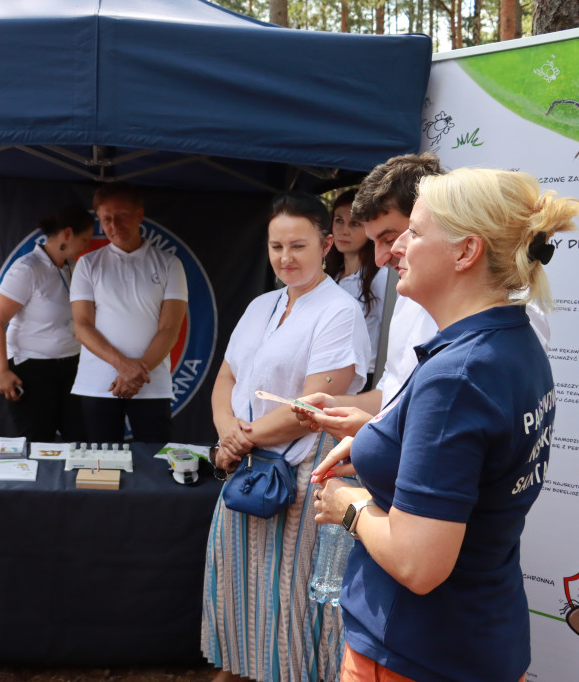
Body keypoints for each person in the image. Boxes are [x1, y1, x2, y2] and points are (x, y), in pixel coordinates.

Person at [312, 168, 575, 682]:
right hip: (478, 637)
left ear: (464, 252)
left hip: (416, 653)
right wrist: (378, 440)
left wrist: (351, 506)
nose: (394, 249)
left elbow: (419, 565)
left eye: (414, 232)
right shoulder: (511, 341)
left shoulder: (459, 373)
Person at [202, 192, 370, 682]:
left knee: (290, 598)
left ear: (324, 244)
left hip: (302, 477)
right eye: (276, 246)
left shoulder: (339, 311)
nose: (285, 257)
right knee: (239, 584)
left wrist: (241, 439)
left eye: (298, 245)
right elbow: (225, 378)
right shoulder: (261, 304)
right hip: (248, 468)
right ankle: (241, 669)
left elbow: (311, 407)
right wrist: (229, 435)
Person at [296, 153, 445, 440]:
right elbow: (392, 391)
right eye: (375, 241)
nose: (380, 259)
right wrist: (333, 404)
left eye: (391, 239)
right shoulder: (407, 295)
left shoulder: (495, 317)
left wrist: (375, 441)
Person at [70, 183, 187, 442]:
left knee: (155, 466)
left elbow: (170, 329)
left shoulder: (170, 264)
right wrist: (124, 367)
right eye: (106, 219)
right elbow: (82, 326)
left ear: (139, 215)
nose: (114, 225)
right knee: (99, 468)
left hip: (151, 386)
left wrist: (135, 374)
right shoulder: (88, 264)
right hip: (97, 385)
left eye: (121, 215)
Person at [0, 204, 94, 441]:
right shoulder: (28, 268)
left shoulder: (73, 268)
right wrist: (1, 371)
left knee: (79, 441)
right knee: (37, 444)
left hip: (72, 368)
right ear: (67, 234)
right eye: (84, 239)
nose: (87, 246)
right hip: (32, 371)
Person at [325, 188, 388, 385]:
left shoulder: (381, 276)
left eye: (354, 223)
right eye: (339, 220)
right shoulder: (331, 276)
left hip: (366, 379)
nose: (344, 231)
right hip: (328, 376)